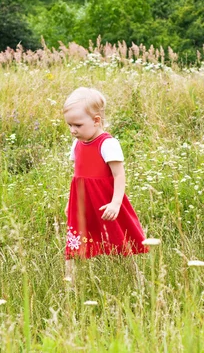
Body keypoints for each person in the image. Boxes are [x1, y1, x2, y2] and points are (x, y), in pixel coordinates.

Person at [63, 87, 148, 280]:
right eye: (69, 125)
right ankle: (70, 287)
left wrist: (116, 203)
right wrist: (71, 202)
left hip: (104, 203)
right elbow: (77, 177)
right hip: (83, 204)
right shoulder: (77, 144)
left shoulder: (107, 144)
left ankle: (137, 279)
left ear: (96, 120)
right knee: (74, 244)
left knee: (118, 243)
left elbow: (119, 175)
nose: (72, 130)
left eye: (77, 125)